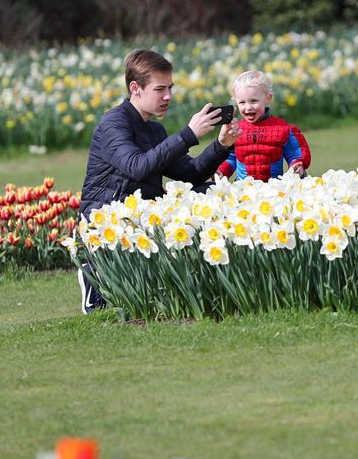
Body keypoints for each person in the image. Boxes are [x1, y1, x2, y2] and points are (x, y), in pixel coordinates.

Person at [77, 49, 241, 313]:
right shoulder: (113, 124)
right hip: (106, 219)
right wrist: (188, 134)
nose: (168, 96)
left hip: (143, 215)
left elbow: (190, 174)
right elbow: (137, 167)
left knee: (207, 191)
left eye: (171, 88)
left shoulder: (154, 129)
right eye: (160, 89)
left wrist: (221, 146)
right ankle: (94, 271)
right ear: (136, 88)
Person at [215, 70, 311, 181]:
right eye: (242, 102)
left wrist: (297, 165)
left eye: (253, 101)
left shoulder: (281, 129)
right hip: (243, 190)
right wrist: (221, 171)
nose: (248, 107)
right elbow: (231, 157)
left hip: (273, 189)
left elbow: (295, 151)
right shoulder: (235, 130)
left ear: (267, 99)